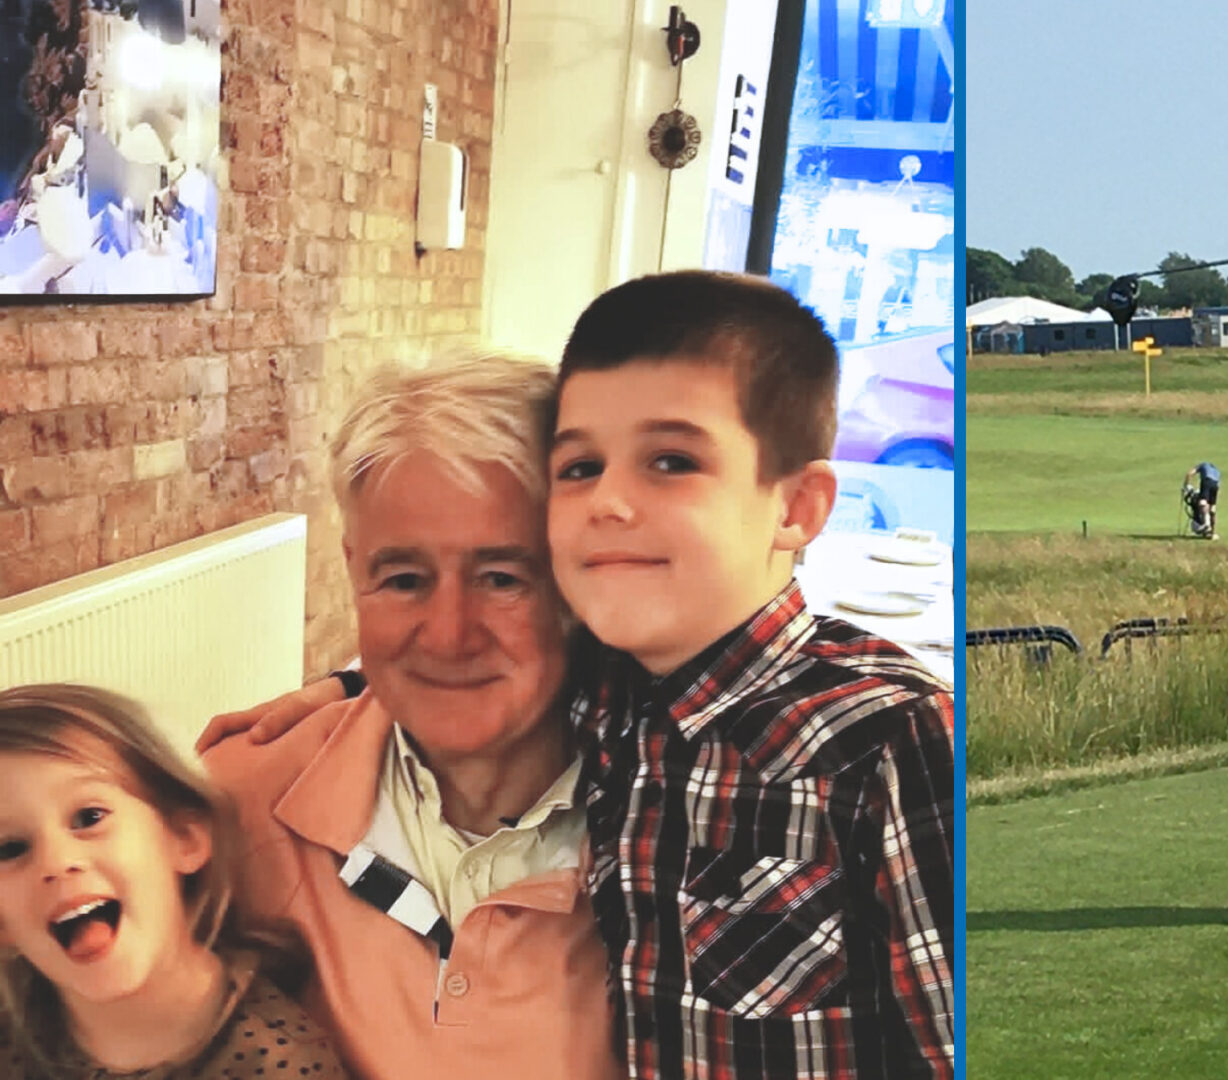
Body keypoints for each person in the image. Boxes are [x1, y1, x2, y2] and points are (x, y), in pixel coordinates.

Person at [552, 270, 955, 1079]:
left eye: (671, 461)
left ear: (797, 508)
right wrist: (334, 694)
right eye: (579, 467)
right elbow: (451, 659)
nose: (608, 502)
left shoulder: (891, 737)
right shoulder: (583, 691)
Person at [198, 356, 619, 1079]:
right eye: (403, 580)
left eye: (503, 578)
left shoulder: (672, 826)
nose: (449, 635)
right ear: (353, 569)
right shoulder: (236, 807)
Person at [0, 684, 346, 1078]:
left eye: (89, 817)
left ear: (184, 838)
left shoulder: (278, 1064)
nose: (57, 862)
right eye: (10, 848)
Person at [1183, 461, 1221, 539]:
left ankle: (1206, 523)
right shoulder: (1217, 471)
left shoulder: (1203, 465)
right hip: (1216, 485)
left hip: (1207, 480)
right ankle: (1212, 533)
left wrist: (1186, 485)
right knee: (1212, 508)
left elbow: (1189, 474)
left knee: (1202, 502)